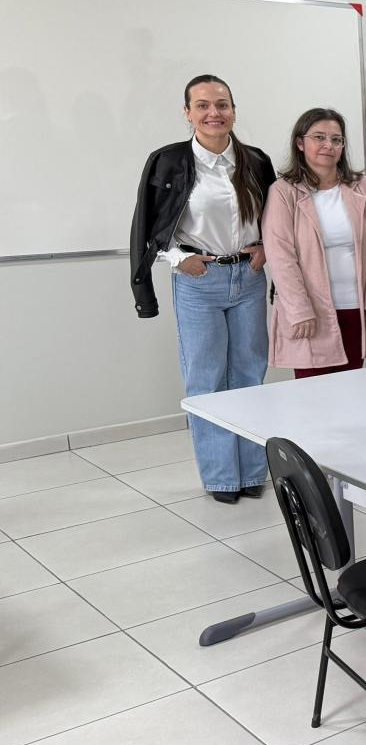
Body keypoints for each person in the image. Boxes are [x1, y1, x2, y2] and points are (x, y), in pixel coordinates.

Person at [129, 74, 274, 503]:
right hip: (199, 280)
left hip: (248, 276)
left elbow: (275, 215)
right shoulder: (168, 162)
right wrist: (178, 259)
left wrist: (266, 247)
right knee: (206, 381)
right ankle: (221, 478)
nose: (215, 113)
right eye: (204, 105)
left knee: (249, 376)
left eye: (223, 104)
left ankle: (251, 472)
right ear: (188, 113)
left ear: (234, 109)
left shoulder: (255, 160)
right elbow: (148, 226)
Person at [262, 109, 366, 379]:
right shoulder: (283, 192)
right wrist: (299, 311)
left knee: (352, 390)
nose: (328, 145)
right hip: (311, 313)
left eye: (336, 139)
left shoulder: (363, 187)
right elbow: (281, 257)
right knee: (313, 400)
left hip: (356, 309)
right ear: (300, 143)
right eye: (319, 137)